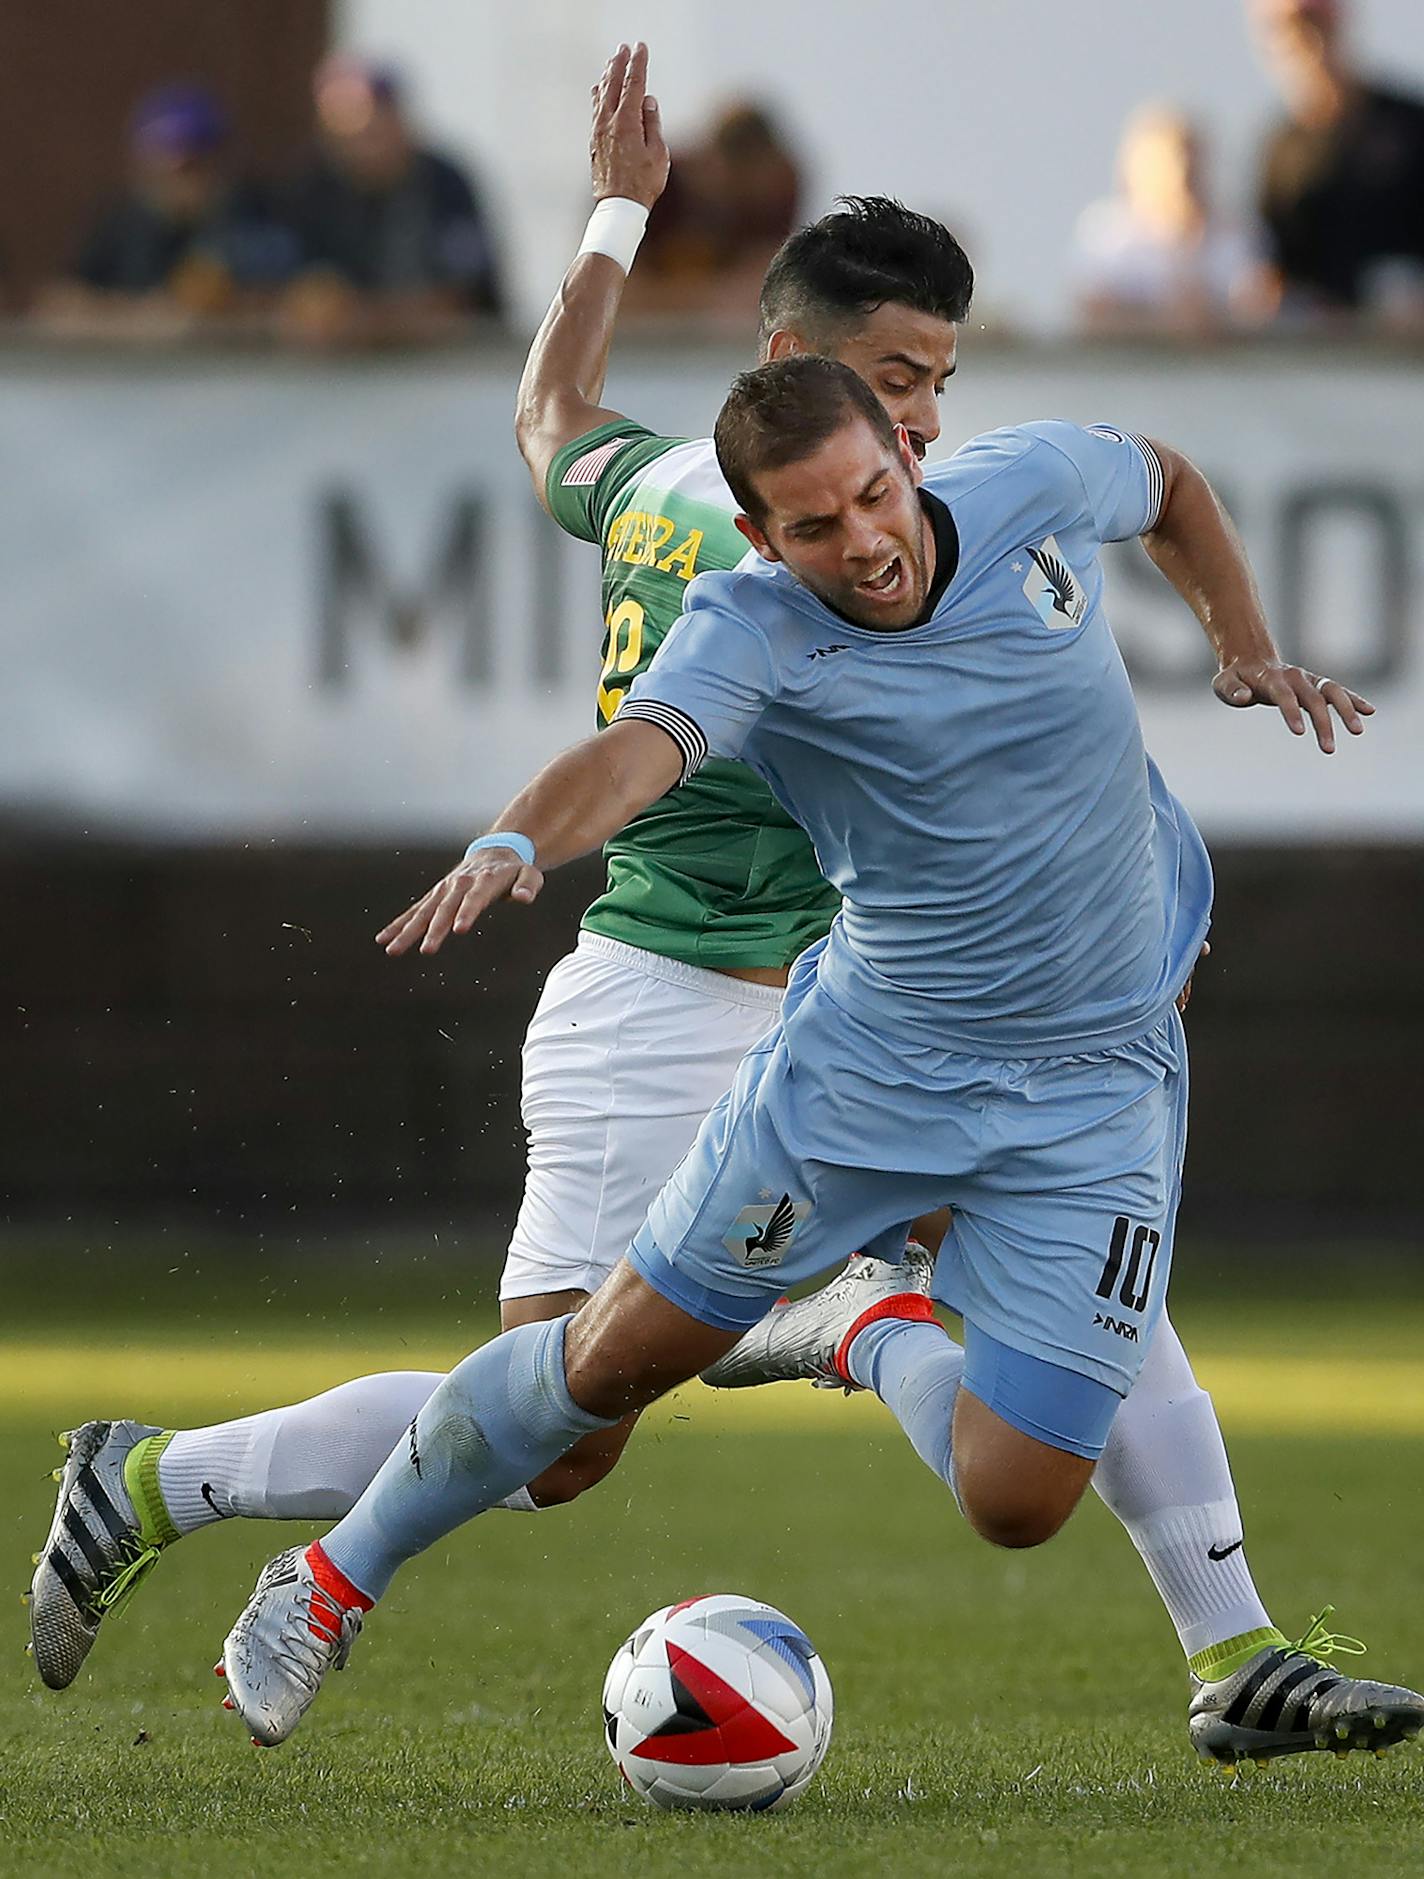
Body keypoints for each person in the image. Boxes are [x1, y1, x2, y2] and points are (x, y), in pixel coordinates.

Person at [29, 46, 1411, 1775]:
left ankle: (1231, 1642)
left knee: (1074, 1316)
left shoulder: (873, 493)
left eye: (932, 388)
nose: (916, 424)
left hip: (896, 993)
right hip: (683, 994)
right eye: (890, 378)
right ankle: (170, 1479)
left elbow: (547, 423)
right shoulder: (749, 566)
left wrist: (614, 212)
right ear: (785, 384)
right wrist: (518, 839)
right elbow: (640, 750)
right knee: (566, 1427)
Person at [36, 84, 299, 335]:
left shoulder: (256, 216)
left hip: (240, 373)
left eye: (194, 165)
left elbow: (301, 306)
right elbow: (60, 304)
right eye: (167, 165)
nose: (182, 181)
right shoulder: (121, 223)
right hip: (133, 371)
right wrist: (140, 317)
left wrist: (224, 314)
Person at [279, 56, 503, 346]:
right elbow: (289, 299)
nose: (368, 143)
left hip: (444, 369)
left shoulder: (444, 185)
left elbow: (465, 298)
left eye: (377, 125)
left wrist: (369, 320)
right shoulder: (310, 192)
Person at [1250, 0, 1424, 324]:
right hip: (1330, 352)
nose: (1307, 43)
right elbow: (1274, 262)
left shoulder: (1409, 123)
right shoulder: (1281, 147)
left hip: (1408, 343)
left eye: (1317, 26)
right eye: (1289, 32)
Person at [1073, 104, 1257, 336]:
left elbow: (1256, 312)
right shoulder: (1108, 237)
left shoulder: (1236, 236)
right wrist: (1168, 322)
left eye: (1191, 159)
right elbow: (1092, 316)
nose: (1183, 173)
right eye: (1172, 159)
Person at [620, 98, 801, 323]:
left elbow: (766, 289)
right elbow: (619, 291)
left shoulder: (774, 193)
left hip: (722, 337)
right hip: (641, 335)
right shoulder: (653, 185)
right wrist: (706, 298)